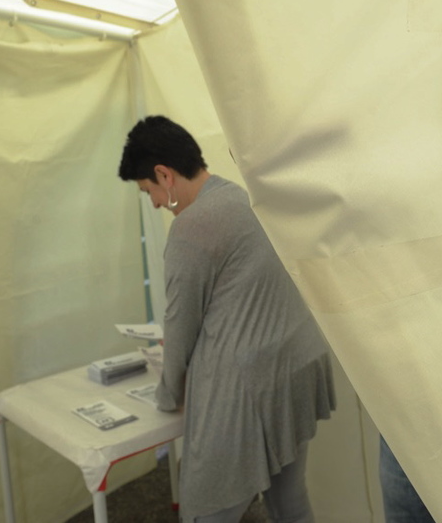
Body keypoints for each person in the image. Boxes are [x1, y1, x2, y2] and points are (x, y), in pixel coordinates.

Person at [118, 115, 336, 523]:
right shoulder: (240, 196)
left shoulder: (191, 226)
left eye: (149, 190)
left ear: (165, 175)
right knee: (288, 501)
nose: (154, 203)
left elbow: (180, 328)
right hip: (295, 365)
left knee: (206, 510)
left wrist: (167, 396)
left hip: (250, 385)